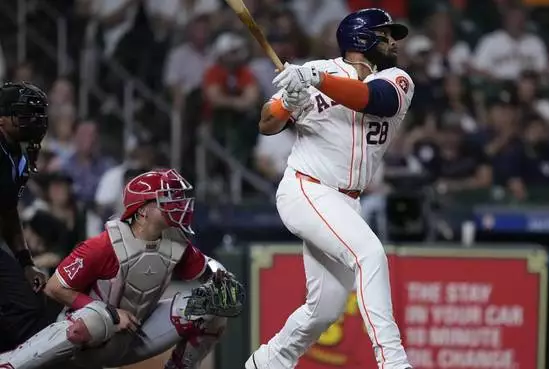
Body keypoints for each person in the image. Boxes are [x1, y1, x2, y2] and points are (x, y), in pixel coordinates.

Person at [246, 8, 414, 369]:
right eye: (386, 34)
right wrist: (288, 104)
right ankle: (394, 362)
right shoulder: (313, 74)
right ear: (362, 39)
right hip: (307, 188)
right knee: (369, 254)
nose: (393, 42)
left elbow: (372, 100)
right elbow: (266, 124)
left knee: (323, 309)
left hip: (345, 201)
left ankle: (265, 363)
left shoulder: (397, 79)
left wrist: (314, 79)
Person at [0, 168, 245, 369]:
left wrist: (221, 277)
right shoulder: (103, 245)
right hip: (88, 340)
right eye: (167, 198)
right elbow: (54, 288)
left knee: (215, 302)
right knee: (97, 318)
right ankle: (10, 364)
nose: (178, 203)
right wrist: (112, 313)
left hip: (136, 333)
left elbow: (206, 269)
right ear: (142, 211)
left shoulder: (176, 243)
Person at [0, 82, 51, 352]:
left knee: (31, 304)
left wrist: (26, 263)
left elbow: (8, 211)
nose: (33, 121)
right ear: (1, 118)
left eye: (37, 115)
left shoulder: (17, 154)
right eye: (24, 114)